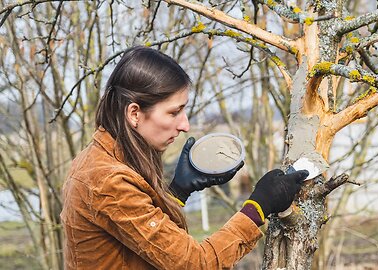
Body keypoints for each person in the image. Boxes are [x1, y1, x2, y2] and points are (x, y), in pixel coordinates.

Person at [60, 46, 309, 269]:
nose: (185, 125)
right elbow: (195, 263)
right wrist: (258, 208)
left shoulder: (103, 159)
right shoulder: (107, 180)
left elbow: (147, 246)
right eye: (174, 112)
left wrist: (176, 194)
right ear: (134, 113)